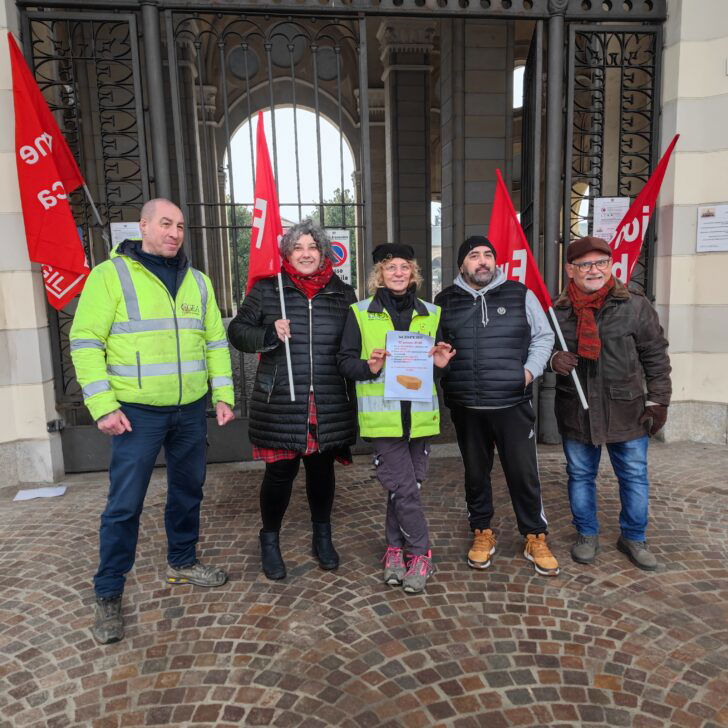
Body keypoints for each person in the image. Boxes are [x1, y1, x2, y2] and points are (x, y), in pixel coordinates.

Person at [70, 198, 235, 645]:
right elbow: (85, 341)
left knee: (188, 491)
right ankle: (108, 591)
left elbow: (216, 343)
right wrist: (102, 405)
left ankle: (182, 561)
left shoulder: (198, 282)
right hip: (137, 414)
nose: (174, 232)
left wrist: (222, 394)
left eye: (180, 226)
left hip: (189, 409)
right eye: (165, 223)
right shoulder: (111, 275)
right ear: (143, 226)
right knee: (124, 504)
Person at [227, 220, 357, 580]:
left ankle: (322, 535)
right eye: (298, 248)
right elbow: (237, 332)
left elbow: (356, 343)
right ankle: (269, 540)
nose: (305, 254)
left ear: (323, 253)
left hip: (329, 397)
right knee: (280, 474)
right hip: (282, 398)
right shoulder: (268, 291)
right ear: (286, 253)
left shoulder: (343, 293)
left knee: (321, 471)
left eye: (312, 247)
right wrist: (269, 332)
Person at [434, 235, 558, 576]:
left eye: (488, 254)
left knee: (523, 473)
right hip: (467, 406)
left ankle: (535, 535)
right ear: (462, 264)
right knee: (476, 474)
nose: (483, 261)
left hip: (511, 403)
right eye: (474, 255)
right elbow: (434, 347)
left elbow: (544, 336)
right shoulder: (444, 300)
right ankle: (482, 532)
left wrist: (529, 371)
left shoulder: (520, 294)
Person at [338, 243, 455, 594]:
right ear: (380, 274)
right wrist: (369, 367)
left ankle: (393, 550)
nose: (399, 273)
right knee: (405, 490)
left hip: (419, 419)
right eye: (391, 267)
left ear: (413, 272)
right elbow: (344, 362)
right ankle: (420, 554)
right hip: (384, 420)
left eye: (405, 266)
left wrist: (440, 366)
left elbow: (433, 369)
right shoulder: (360, 312)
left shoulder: (432, 313)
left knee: (404, 488)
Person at [549, 236, 671, 570]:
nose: (594, 270)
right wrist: (553, 360)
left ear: (610, 265)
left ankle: (634, 536)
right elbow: (541, 348)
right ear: (571, 270)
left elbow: (655, 354)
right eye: (585, 264)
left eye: (601, 262)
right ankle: (587, 533)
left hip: (627, 408)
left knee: (633, 475)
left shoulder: (634, 304)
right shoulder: (556, 310)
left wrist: (658, 400)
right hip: (577, 408)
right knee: (580, 474)